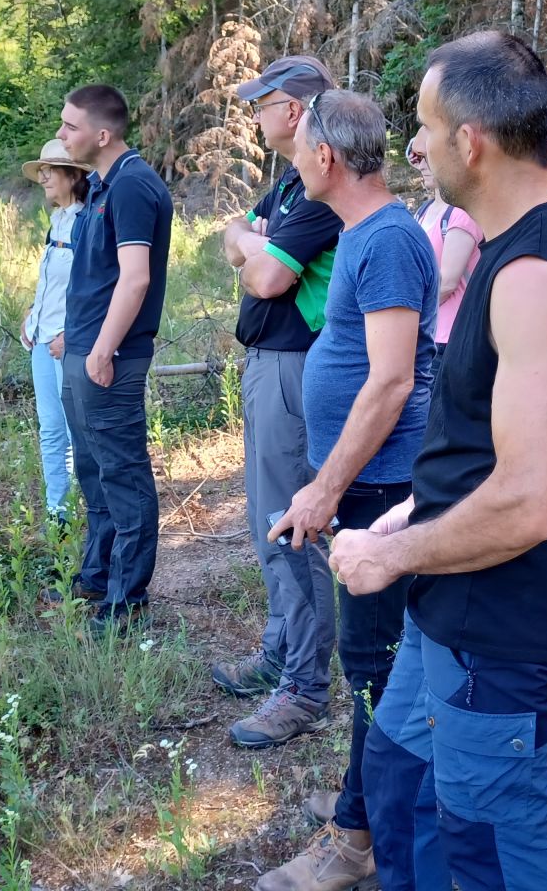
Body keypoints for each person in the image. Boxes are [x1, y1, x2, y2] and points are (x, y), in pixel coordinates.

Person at [331, 30, 547, 891]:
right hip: (448, 607)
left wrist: (385, 555)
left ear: (471, 142)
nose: (414, 148)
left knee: (489, 853)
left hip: (499, 627)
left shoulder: (542, 269)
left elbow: (533, 501)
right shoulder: (507, 246)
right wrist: (416, 508)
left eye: (423, 129)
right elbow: (488, 443)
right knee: (397, 785)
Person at [260, 89, 438, 891]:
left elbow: (392, 381)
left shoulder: (390, 241)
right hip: (361, 482)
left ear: (326, 157)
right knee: (376, 663)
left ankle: (359, 837)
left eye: (299, 152)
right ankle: (372, 817)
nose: (294, 165)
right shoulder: (363, 233)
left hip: (382, 488)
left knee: (374, 665)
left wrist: (328, 489)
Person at [215, 55, 344, 748]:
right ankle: (279, 651)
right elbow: (235, 235)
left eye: (261, 103)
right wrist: (244, 237)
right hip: (270, 364)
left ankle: (304, 685)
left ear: (293, 109)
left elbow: (263, 277)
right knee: (266, 517)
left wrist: (248, 245)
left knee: (296, 524)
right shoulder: (292, 182)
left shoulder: (324, 186)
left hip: (298, 367)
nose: (254, 115)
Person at [50, 84, 174, 635]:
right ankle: (98, 576)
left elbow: (136, 278)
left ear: (102, 135)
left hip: (111, 358)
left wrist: (102, 351)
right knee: (93, 470)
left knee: (122, 474)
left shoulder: (132, 187)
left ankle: (127, 599)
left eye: (69, 126)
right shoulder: (101, 186)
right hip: (82, 350)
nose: (61, 135)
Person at [20, 139, 93, 520]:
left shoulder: (87, 221)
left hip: (68, 342)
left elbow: (96, 285)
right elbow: (54, 281)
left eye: (52, 169)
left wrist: (72, 333)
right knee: (50, 429)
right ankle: (58, 513)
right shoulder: (57, 220)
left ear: (73, 174)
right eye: (42, 169)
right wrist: (33, 313)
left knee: (78, 430)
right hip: (41, 338)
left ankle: (93, 510)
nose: (44, 176)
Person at [406, 126, 482, 370]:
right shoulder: (423, 211)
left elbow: (447, 282)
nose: (421, 165)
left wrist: (405, 311)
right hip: (426, 335)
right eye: (416, 158)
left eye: (426, 157)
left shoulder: (461, 213)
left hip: (451, 339)